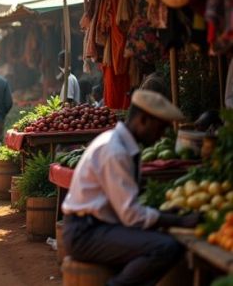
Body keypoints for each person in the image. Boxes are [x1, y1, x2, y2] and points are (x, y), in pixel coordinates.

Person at [62, 90, 199, 285]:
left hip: (96, 226)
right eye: (159, 128)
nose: (160, 136)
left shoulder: (120, 144)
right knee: (165, 247)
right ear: (143, 120)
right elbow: (131, 215)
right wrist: (177, 220)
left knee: (160, 242)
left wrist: (164, 215)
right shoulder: (115, 150)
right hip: (85, 233)